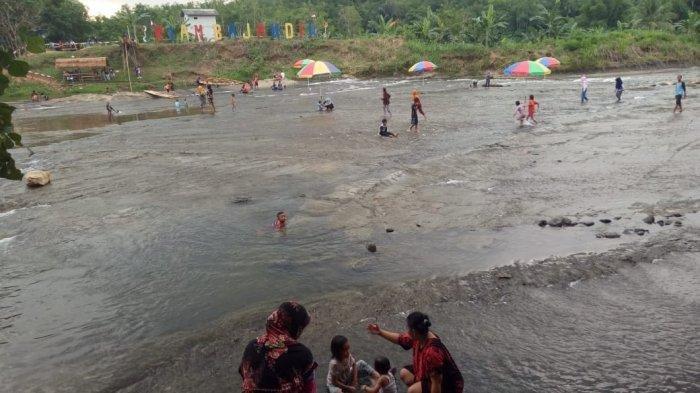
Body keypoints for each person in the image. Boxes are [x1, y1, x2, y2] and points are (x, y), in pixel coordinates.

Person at [367, 312, 464, 393]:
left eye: (408, 329)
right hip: (428, 375)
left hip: (448, 385)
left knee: (412, 391)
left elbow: (436, 382)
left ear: (413, 331)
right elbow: (400, 339)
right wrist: (379, 332)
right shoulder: (420, 336)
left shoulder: (432, 352)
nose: (407, 332)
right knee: (404, 373)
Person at [239, 302, 317, 393]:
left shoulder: (252, 345)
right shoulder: (302, 354)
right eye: (301, 328)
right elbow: (309, 389)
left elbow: (244, 373)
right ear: (295, 328)